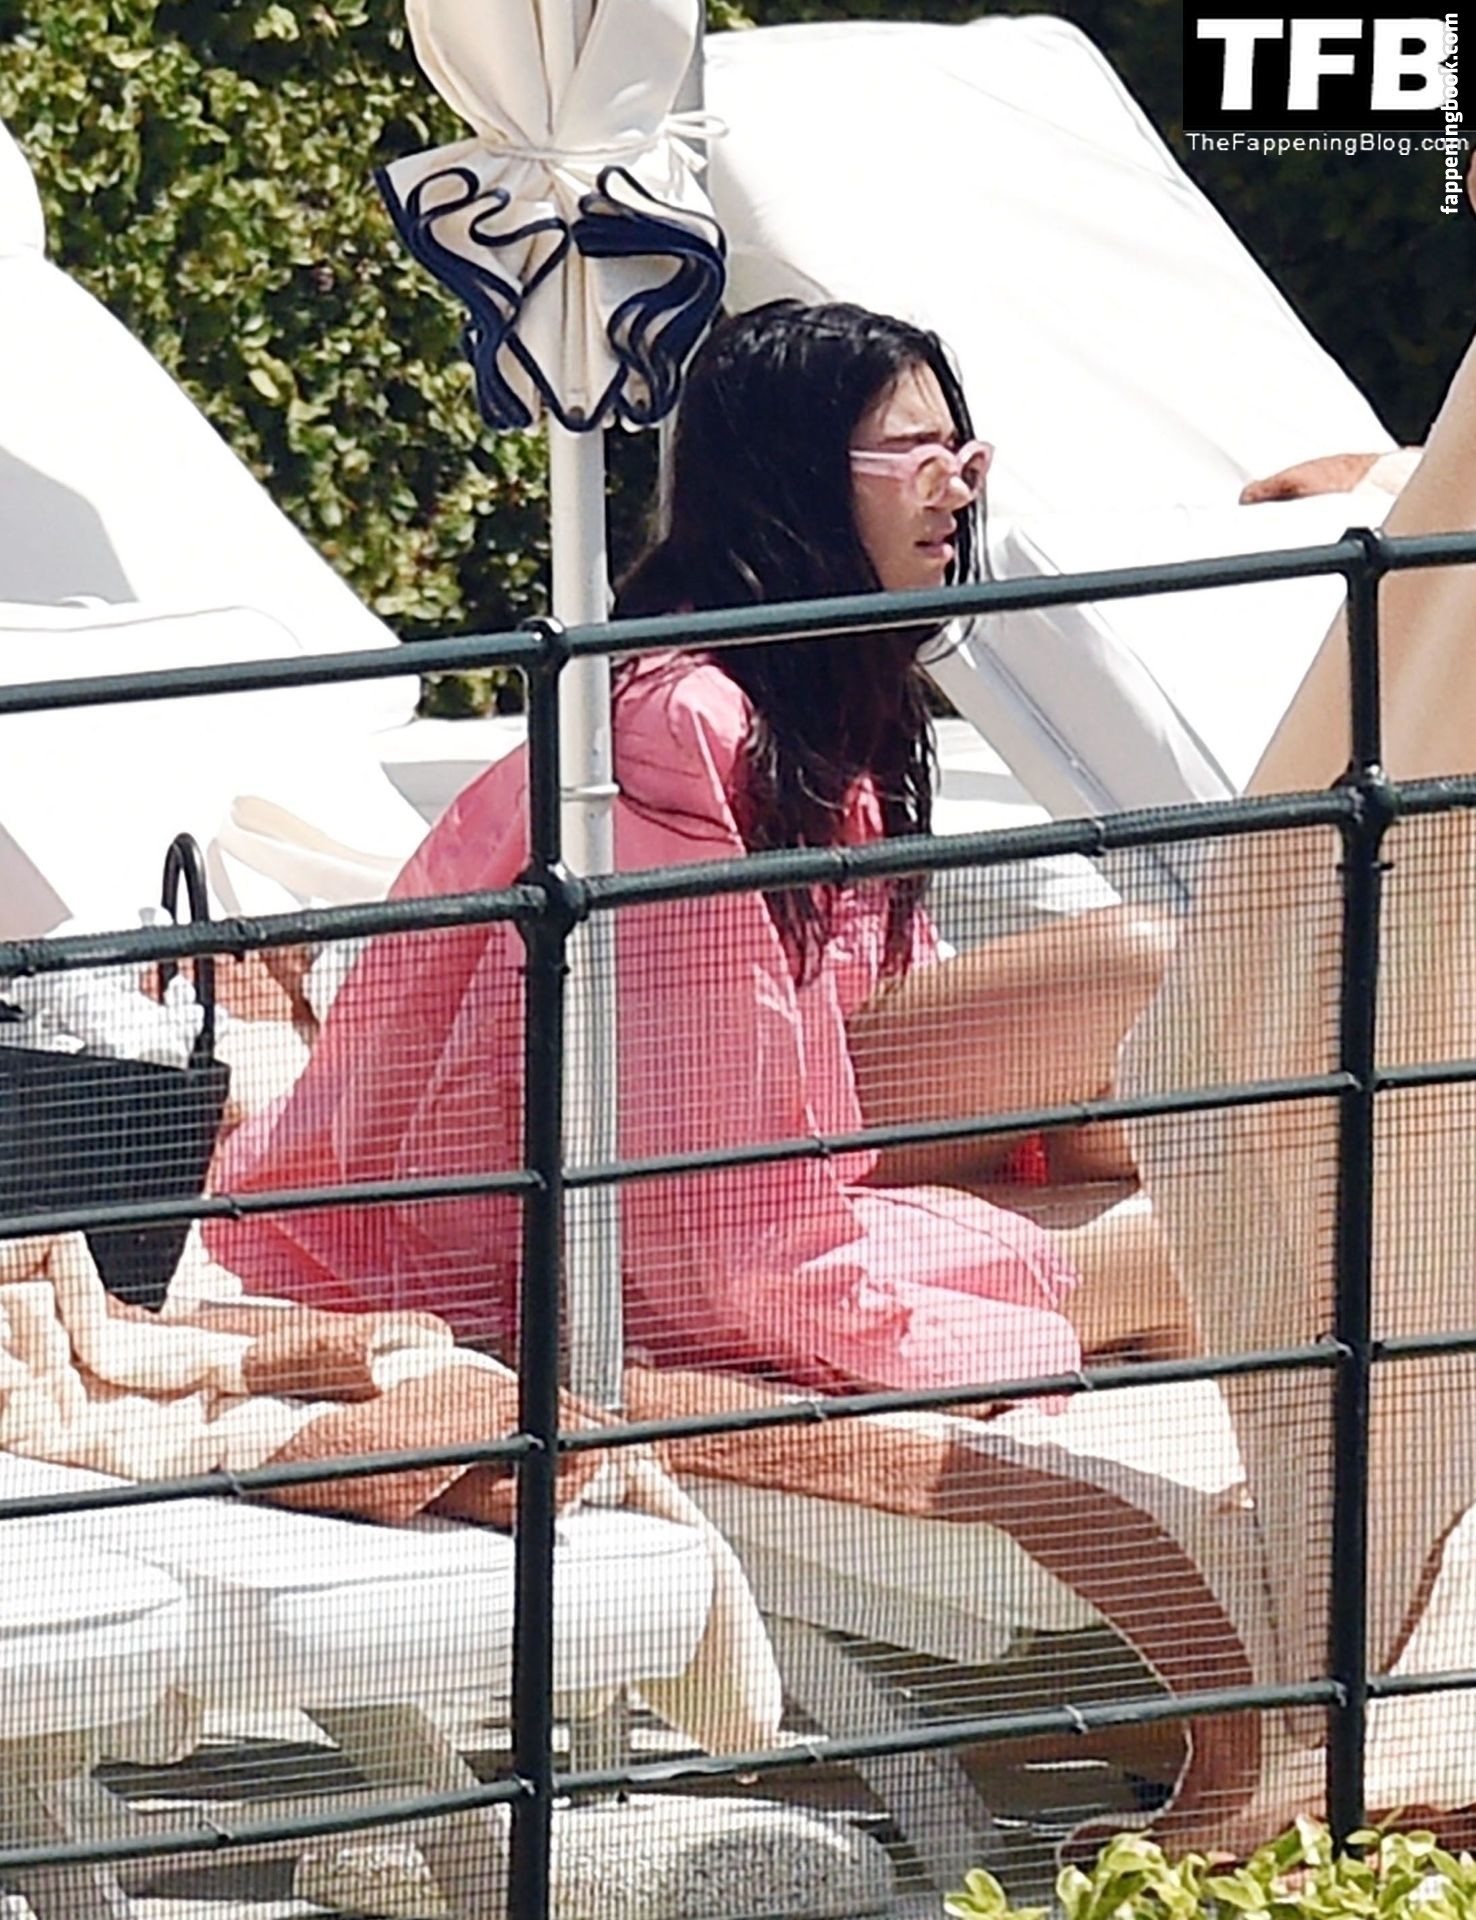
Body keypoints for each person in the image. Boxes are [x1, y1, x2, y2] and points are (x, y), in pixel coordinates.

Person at [207, 301, 1190, 1393]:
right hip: (616, 1177)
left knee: (1161, 1036)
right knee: (1184, 1187)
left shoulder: (824, 688)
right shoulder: (683, 720)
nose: (957, 491)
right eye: (917, 459)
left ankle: (1133, 1249)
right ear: (797, 480)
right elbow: (699, 1140)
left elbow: (843, 1008)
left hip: (791, 1108)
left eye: (963, 457)